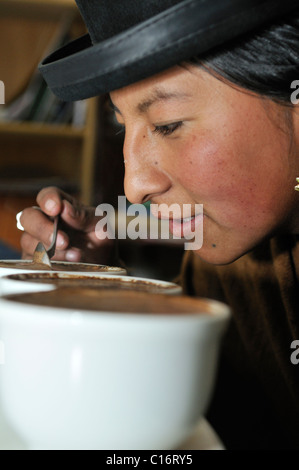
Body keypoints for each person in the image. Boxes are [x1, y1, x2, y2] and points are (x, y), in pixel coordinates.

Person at [17, 0, 299, 449]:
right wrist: (104, 289)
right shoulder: (225, 253)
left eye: (167, 125)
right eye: (121, 126)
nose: (134, 188)